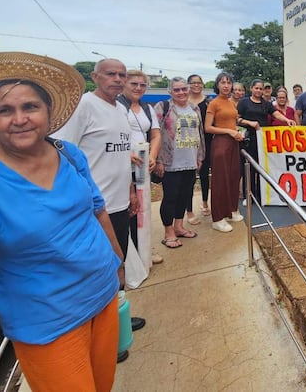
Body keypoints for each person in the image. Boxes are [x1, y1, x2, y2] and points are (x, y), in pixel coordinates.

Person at [0, 52, 123, 391]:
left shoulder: (69, 153)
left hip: (104, 297)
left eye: (30, 107)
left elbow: (97, 208)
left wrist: (117, 260)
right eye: (5, 110)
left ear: (48, 112)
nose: (19, 119)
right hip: (49, 326)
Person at [53, 58, 146, 347]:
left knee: (116, 264)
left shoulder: (120, 110)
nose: (117, 79)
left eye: (121, 74)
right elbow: (62, 153)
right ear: (95, 77)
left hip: (118, 203)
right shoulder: (82, 106)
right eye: (111, 74)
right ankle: (102, 335)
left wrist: (131, 191)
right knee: (97, 270)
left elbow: (122, 156)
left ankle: (116, 321)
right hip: (91, 208)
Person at [118, 70, 163, 264]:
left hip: (143, 168)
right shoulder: (116, 106)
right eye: (133, 84)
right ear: (124, 84)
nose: (138, 88)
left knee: (143, 209)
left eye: (142, 85)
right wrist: (125, 154)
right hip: (121, 168)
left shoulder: (147, 108)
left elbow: (155, 134)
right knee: (127, 210)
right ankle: (127, 256)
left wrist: (152, 156)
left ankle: (143, 248)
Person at [153, 78, 205, 248]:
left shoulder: (194, 108)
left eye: (184, 88)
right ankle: (168, 232)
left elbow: (200, 134)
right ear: (170, 92)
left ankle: (179, 226)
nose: (181, 92)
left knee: (184, 195)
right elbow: (155, 134)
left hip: (190, 160)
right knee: (170, 197)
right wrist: (158, 159)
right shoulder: (163, 107)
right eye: (177, 90)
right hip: (170, 162)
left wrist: (200, 156)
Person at [238, 80, 295, 203]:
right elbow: (237, 119)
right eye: (256, 88)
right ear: (251, 88)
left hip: (262, 140)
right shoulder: (244, 103)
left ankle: (260, 195)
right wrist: (249, 123)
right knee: (248, 169)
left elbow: (276, 114)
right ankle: (248, 195)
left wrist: (286, 120)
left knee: (262, 168)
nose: (258, 91)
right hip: (248, 139)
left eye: (261, 89)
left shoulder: (267, 104)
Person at [204, 72, 246, 232]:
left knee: (234, 177)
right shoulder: (213, 103)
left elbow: (232, 122)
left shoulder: (231, 103)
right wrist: (229, 132)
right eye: (223, 82)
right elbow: (208, 128)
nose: (226, 85)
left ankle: (231, 210)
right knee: (220, 180)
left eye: (229, 82)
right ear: (218, 85)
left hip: (234, 143)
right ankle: (218, 218)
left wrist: (237, 131)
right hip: (220, 144)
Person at [187, 74, 211, 219]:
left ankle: (205, 202)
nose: (196, 85)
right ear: (189, 84)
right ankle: (188, 209)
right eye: (193, 83)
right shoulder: (184, 102)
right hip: (189, 142)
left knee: (204, 175)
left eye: (199, 83)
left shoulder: (208, 102)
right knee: (189, 177)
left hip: (207, 141)